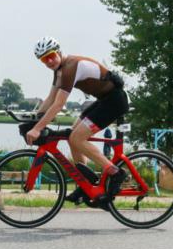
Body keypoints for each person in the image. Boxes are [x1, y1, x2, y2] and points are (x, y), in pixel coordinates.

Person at [26, 36, 129, 203]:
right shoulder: (59, 71)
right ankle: (85, 183)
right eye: (44, 59)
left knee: (77, 137)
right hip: (104, 100)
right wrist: (34, 119)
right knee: (72, 136)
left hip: (114, 101)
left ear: (59, 51)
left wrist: (37, 128)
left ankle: (115, 172)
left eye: (51, 55)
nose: (49, 61)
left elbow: (59, 104)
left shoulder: (70, 67)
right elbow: (50, 98)